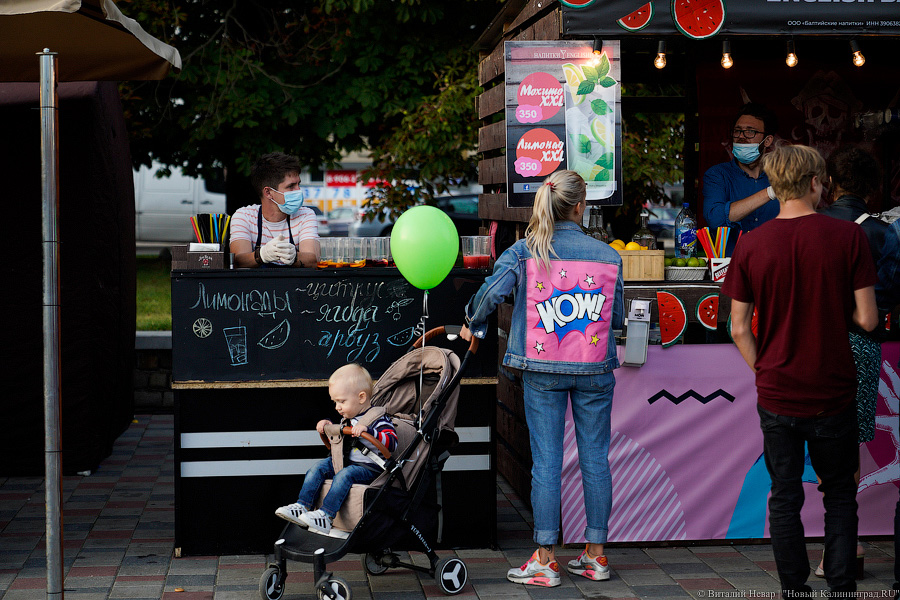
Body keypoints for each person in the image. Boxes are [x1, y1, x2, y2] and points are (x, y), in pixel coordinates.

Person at [721, 144, 878, 597]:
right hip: (833, 389)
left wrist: (764, 371)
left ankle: (794, 589)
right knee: (840, 494)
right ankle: (842, 586)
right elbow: (868, 319)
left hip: (778, 391)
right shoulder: (848, 237)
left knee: (784, 494)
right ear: (815, 183)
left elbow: (738, 327)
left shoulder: (752, 243)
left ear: (776, 186)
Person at [459, 170, 624, 587]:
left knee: (547, 462)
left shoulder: (525, 251)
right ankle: (596, 556)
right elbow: (617, 318)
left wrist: (473, 321)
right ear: (581, 207)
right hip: (594, 368)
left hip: (542, 368)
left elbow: (491, 294)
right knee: (595, 459)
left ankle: (546, 559)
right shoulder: (608, 256)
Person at [815, 145, 889, 578]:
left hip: (812, 343)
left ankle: (840, 545)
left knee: (818, 437)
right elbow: (888, 295)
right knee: (848, 444)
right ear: (873, 188)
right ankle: (842, 546)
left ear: (830, 184)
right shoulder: (882, 233)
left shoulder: (811, 225)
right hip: (861, 343)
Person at [274, 364, 398, 538]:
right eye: (335, 402)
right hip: (347, 461)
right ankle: (302, 505)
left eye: (342, 401)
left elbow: (392, 443)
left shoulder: (378, 419)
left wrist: (369, 431)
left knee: (345, 475)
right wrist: (327, 425)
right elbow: (340, 438)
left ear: (361, 397)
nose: (337, 407)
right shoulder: (348, 418)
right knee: (318, 468)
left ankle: (326, 515)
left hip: (370, 468)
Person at [230, 152, 320, 268]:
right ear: (268, 192)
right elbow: (238, 261)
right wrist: (262, 255)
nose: (298, 190)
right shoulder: (244, 216)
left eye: (298, 184)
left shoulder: (305, 215)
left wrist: (294, 257)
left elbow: (313, 259)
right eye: (291, 186)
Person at [702, 103, 780, 232]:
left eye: (750, 131)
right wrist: (769, 193)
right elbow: (715, 219)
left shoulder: (781, 176)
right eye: (737, 131)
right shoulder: (717, 174)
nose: (741, 136)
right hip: (734, 247)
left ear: (767, 141)